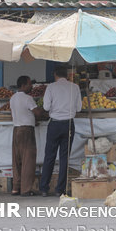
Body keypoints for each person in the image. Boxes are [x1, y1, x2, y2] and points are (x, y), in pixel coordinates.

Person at [39, 67, 82, 197]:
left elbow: (46, 107)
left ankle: (44, 188)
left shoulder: (51, 87)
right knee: (64, 158)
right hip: (68, 125)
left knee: (49, 156)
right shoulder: (75, 87)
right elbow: (79, 108)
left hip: (54, 124)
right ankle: (60, 189)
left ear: (55, 74)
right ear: (67, 75)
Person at [10, 76, 44, 197]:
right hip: (26, 131)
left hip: (16, 130)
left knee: (17, 160)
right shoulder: (28, 98)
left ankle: (16, 187)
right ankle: (25, 189)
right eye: (29, 84)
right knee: (28, 160)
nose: (31, 86)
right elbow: (38, 113)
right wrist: (46, 111)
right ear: (23, 85)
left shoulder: (13, 98)